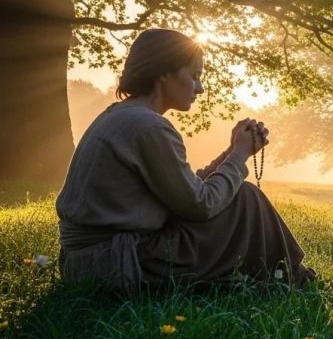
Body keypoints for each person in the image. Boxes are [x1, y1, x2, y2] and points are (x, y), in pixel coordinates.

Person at [56, 28, 315, 292]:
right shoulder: (149, 127)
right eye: (194, 76)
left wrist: (231, 151)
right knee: (246, 198)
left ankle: (287, 277)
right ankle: (294, 279)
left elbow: (184, 189)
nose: (200, 88)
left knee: (240, 195)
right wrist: (239, 155)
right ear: (164, 72)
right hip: (121, 263)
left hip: (87, 263)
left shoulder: (122, 115)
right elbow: (200, 204)